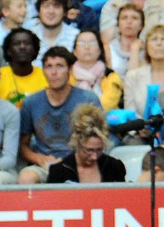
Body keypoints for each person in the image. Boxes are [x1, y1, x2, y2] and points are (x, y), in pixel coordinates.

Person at [18, 47, 103, 184]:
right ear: (43, 71)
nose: (54, 72)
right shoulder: (31, 103)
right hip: (45, 164)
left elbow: (100, 140)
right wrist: (39, 158)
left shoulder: (88, 100)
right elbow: (22, 146)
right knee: (27, 177)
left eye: (60, 66)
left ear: (70, 70)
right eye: (48, 67)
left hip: (81, 163)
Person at [45, 104, 127, 183]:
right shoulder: (59, 171)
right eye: (89, 150)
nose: (94, 157)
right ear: (77, 142)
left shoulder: (115, 167)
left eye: (99, 150)